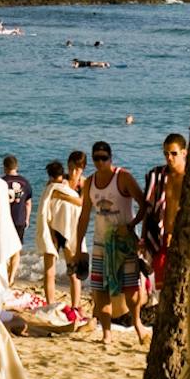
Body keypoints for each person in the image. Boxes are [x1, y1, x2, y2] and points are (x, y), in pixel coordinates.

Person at [75, 140, 148, 345]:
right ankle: (106, 334)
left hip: (124, 245)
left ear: (110, 158)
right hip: (100, 244)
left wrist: (132, 225)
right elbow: (84, 216)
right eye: (96, 158)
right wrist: (79, 246)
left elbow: (143, 204)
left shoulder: (122, 177)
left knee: (131, 290)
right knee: (100, 290)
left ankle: (138, 325)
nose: (100, 162)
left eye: (103, 158)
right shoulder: (89, 182)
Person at [40, 160, 86, 315]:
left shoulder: (51, 188)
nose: (73, 172)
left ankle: (56, 305)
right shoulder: (65, 186)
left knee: (57, 272)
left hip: (57, 231)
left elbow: (81, 203)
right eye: (71, 168)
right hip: (62, 232)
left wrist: (59, 195)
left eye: (76, 169)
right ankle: (70, 306)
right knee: (65, 272)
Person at [141, 133, 187, 280]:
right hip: (161, 238)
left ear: (184, 153)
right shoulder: (157, 176)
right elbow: (148, 210)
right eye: (166, 154)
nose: (169, 158)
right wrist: (143, 239)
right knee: (162, 288)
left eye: (174, 153)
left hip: (184, 239)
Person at [0, 156, 33, 241]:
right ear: (16, 167)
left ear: (4, 167)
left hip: (4, 221)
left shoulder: (0, 182)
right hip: (19, 220)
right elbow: (28, 203)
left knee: (4, 248)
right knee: (17, 247)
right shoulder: (25, 182)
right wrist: (27, 219)